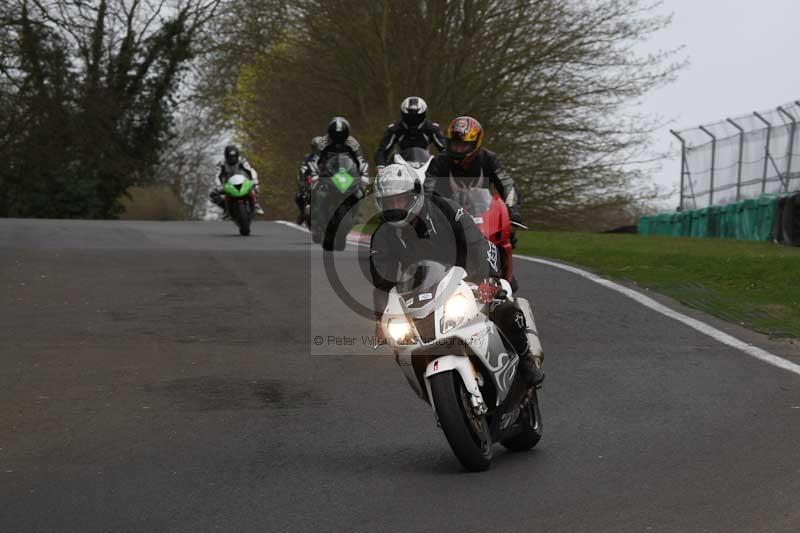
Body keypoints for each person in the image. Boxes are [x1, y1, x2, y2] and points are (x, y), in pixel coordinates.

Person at [370, 164, 544, 386]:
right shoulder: (382, 237)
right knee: (400, 342)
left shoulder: (445, 209)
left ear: (414, 195)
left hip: (467, 271)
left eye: (401, 199)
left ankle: (525, 360)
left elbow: (476, 244)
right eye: (389, 202)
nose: (396, 206)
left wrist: (486, 280)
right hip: (423, 289)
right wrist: (380, 319)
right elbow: (382, 282)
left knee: (503, 306)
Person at [425, 116, 523, 245]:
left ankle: (504, 264)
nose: (457, 150)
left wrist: (512, 211)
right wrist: (429, 215)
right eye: (454, 144)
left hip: (484, 218)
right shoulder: (439, 161)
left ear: (476, 144)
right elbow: (427, 190)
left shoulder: (489, 159)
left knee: (507, 239)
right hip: (448, 221)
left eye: (463, 145)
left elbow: (507, 185)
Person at [296, 117, 370, 222]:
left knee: (360, 190)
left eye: (341, 136)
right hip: (326, 172)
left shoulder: (353, 143)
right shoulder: (323, 142)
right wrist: (314, 173)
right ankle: (313, 210)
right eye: (335, 136)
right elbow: (314, 160)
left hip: (346, 172)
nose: (338, 140)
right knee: (314, 189)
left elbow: (361, 160)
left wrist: (364, 176)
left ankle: (356, 212)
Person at [374, 96, 445, 169]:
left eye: (416, 117)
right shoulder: (395, 129)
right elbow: (382, 151)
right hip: (400, 166)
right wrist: (381, 167)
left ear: (423, 115)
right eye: (410, 117)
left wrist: (439, 164)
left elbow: (444, 149)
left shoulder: (431, 128)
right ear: (404, 115)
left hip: (425, 167)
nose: (413, 120)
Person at [211, 144, 264, 215]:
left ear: (237, 155)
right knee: (213, 194)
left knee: (256, 187)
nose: (232, 159)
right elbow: (217, 175)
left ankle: (256, 204)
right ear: (226, 156)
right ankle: (225, 208)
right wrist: (219, 185)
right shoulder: (221, 164)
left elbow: (250, 170)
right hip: (228, 184)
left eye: (234, 156)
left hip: (243, 182)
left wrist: (254, 180)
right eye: (230, 157)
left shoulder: (242, 160)